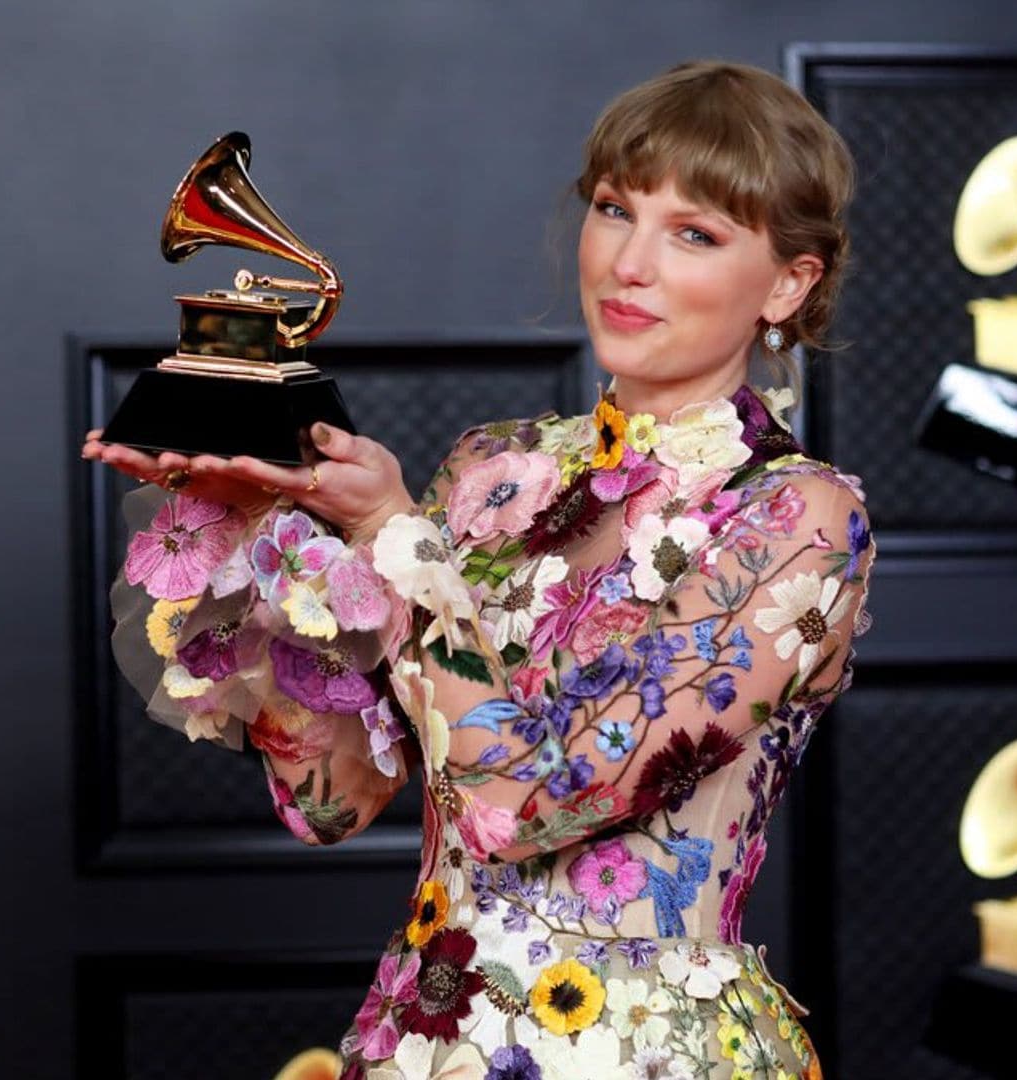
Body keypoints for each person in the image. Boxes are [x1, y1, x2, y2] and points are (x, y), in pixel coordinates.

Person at [85, 59, 871, 1080]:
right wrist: (251, 529)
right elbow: (328, 800)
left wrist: (394, 541)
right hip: (426, 1039)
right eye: (613, 209)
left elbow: (529, 803)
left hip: (639, 1053)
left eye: (694, 233)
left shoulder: (797, 515)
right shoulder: (491, 474)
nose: (629, 262)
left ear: (788, 282)